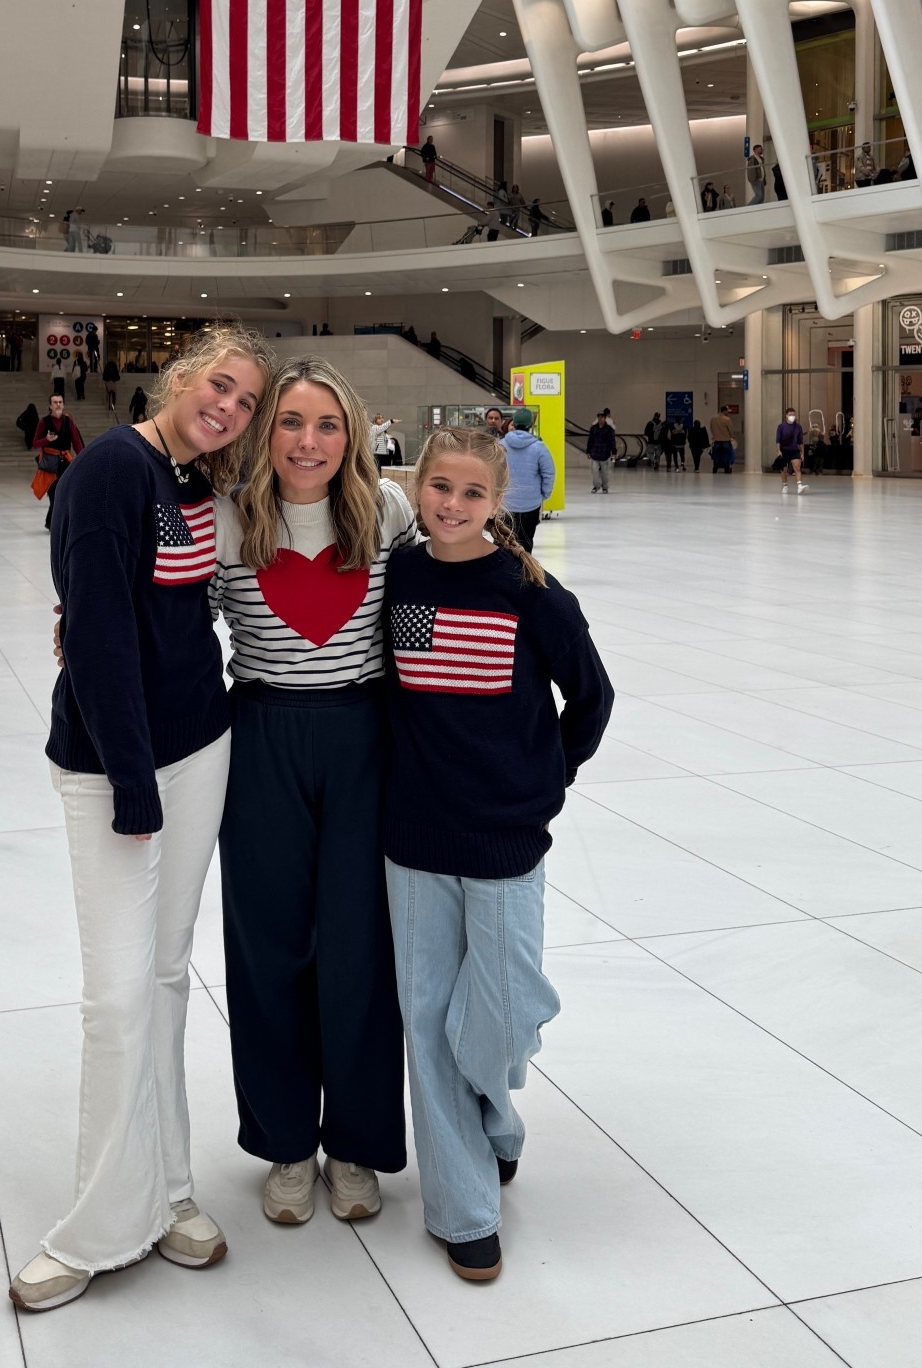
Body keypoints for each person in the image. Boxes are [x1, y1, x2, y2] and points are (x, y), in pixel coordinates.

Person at [11, 326, 274, 1315]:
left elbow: (180, 613)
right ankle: (96, 1224)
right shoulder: (114, 469)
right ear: (181, 377)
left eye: (247, 401)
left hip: (202, 745)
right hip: (117, 765)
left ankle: (165, 1192)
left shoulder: (194, 479)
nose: (231, 409)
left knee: (165, 979)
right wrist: (131, 780)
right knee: (118, 995)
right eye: (222, 386)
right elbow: (98, 635)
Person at [384, 428, 613, 1283]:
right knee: (427, 1016)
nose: (451, 505)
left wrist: (549, 775)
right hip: (411, 836)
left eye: (472, 493)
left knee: (504, 1003)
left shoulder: (530, 593)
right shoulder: (399, 576)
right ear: (419, 487)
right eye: (439, 487)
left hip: (506, 835)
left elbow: (591, 695)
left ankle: (494, 1115)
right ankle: (462, 1206)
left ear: (500, 500)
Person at [212, 359, 414, 1227]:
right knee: (267, 945)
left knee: (361, 945)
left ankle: (359, 1142)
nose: (308, 441)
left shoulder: (386, 512)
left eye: (327, 424)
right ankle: (286, 1141)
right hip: (262, 740)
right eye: (290, 422)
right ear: (266, 434)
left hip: (362, 737)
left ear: (354, 433)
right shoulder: (228, 519)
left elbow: (448, 597)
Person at [499, 408, 554, 552]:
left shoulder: (501, 445)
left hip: (505, 504)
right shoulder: (539, 447)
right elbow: (548, 473)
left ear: (513, 423)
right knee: (525, 543)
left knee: (502, 542)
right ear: (531, 425)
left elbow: (491, 473)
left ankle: (501, 573)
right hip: (530, 504)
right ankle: (524, 572)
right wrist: (544, 494)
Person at [34, 393, 85, 530]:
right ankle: (53, 523)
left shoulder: (68, 422)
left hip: (65, 462)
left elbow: (76, 441)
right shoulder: (44, 422)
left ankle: (52, 522)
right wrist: (47, 440)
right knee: (53, 494)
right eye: (55, 402)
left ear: (63, 405)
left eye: (60, 402)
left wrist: (81, 458)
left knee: (65, 492)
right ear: (50, 405)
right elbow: (35, 443)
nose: (58, 405)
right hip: (50, 464)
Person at [585, 409, 615, 494]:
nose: (600, 419)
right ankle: (596, 486)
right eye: (599, 417)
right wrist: (588, 451)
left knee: (604, 473)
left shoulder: (609, 429)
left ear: (605, 418)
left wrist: (614, 452)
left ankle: (605, 487)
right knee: (594, 471)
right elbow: (590, 440)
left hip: (605, 454)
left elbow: (612, 441)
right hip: (595, 453)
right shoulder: (593, 428)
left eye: (602, 417)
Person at [777, 408, 807, 493]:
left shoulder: (798, 427)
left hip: (794, 450)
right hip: (784, 450)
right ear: (786, 416)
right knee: (784, 469)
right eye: (790, 414)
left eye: (793, 414)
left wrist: (802, 453)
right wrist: (779, 450)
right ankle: (785, 485)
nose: (792, 416)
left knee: (797, 468)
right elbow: (778, 440)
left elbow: (800, 441)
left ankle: (799, 485)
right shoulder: (781, 427)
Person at [709, 407, 736, 473]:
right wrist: (732, 436)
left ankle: (715, 468)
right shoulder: (727, 419)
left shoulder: (713, 419)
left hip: (716, 441)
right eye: (727, 411)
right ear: (725, 411)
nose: (728, 412)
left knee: (716, 455)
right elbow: (731, 430)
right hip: (725, 441)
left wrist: (715, 436)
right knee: (726, 456)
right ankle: (726, 469)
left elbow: (711, 428)